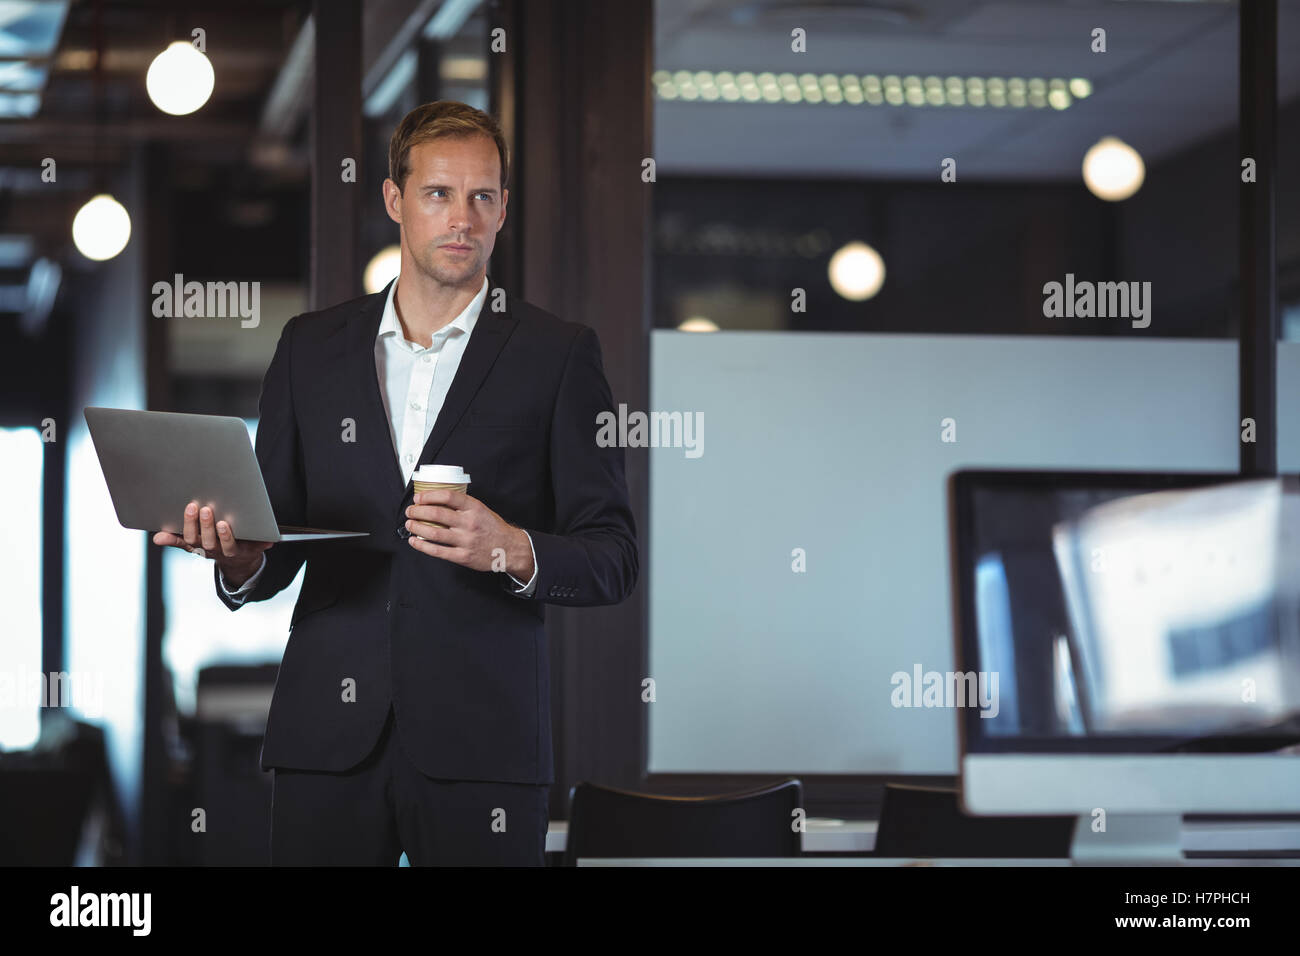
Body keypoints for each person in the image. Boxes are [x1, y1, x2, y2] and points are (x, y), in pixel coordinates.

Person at [152, 100, 639, 865]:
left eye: (483, 197)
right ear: (394, 201)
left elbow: (613, 557)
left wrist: (510, 547)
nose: (463, 218)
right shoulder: (311, 349)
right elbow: (272, 540)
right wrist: (239, 561)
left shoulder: (558, 355)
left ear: (505, 209)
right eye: (439, 194)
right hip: (325, 738)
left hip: (485, 746)